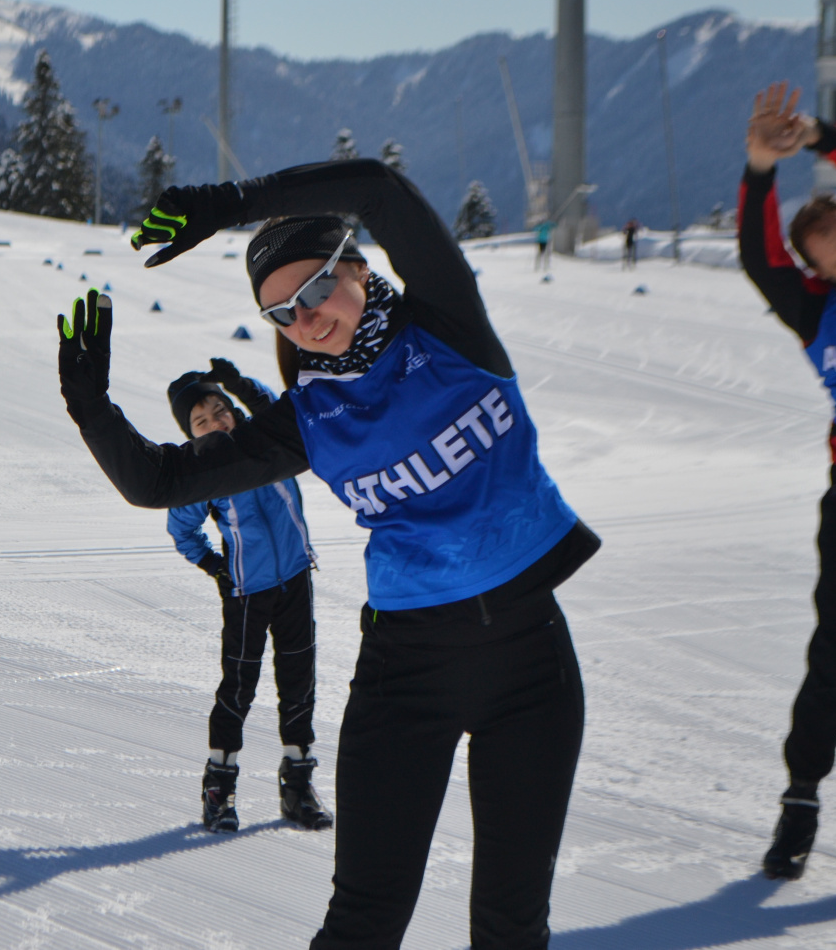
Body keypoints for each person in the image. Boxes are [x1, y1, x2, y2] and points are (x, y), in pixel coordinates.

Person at [59, 160, 597, 949]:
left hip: (531, 668)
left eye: (315, 290)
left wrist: (232, 205)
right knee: (363, 923)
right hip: (405, 676)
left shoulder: (449, 325)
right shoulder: (309, 419)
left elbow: (379, 187)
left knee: (511, 928)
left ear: (358, 264)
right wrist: (89, 404)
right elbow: (157, 480)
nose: (305, 319)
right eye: (282, 311)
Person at [737, 82, 836, 880]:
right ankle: (802, 799)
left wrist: (817, 135)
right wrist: (757, 170)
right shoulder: (816, 310)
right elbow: (759, 256)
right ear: (819, 268)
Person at [165, 358, 332, 834]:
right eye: (202, 420)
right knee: (238, 689)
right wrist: (215, 567)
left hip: (296, 579)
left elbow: (277, 405)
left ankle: (297, 786)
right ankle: (219, 790)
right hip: (246, 594)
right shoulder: (206, 473)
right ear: (192, 434)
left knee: (299, 683)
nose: (216, 421)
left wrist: (239, 382)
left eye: (220, 409)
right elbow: (182, 528)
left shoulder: (268, 440)